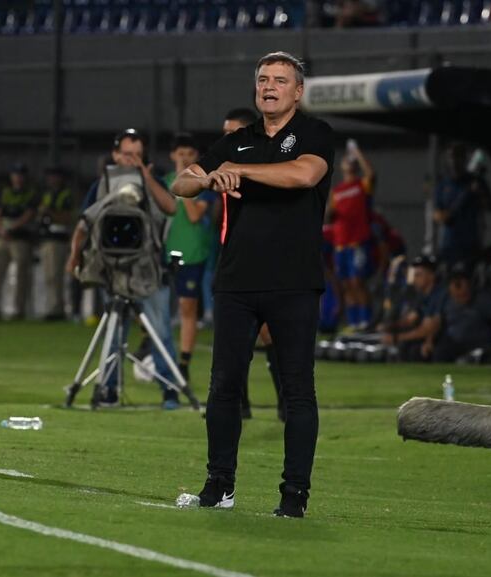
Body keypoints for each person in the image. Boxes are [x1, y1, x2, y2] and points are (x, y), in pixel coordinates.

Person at [172, 51, 334, 517]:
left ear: (297, 91)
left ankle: (294, 497)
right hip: (237, 281)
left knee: (298, 390)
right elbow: (183, 183)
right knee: (223, 385)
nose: (269, 87)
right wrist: (207, 179)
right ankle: (218, 486)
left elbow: (304, 174)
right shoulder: (236, 140)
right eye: (263, 79)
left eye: (280, 80)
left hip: (294, 282)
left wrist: (238, 171)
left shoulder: (315, 133)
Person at [66, 129, 181, 408]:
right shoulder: (102, 185)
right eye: (127, 154)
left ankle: (170, 390)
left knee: (161, 332)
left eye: (138, 155)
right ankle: (108, 389)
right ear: (115, 155)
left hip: (149, 268)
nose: (132, 160)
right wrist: (74, 257)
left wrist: (146, 176)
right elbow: (84, 224)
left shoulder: (152, 180)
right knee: (113, 334)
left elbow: (171, 208)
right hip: (113, 267)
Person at [222, 106, 286, 421]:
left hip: (263, 260)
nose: (226, 139)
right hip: (231, 258)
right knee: (236, 335)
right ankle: (240, 404)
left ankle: (286, 402)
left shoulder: (261, 167)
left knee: (269, 332)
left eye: (232, 133)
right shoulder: (225, 166)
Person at [164, 133, 217, 383]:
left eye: (190, 154)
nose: (184, 158)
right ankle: (151, 353)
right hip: (164, 252)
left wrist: (182, 183)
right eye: (180, 153)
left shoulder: (204, 184)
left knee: (188, 307)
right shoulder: (162, 182)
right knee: (153, 306)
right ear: (172, 155)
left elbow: (195, 216)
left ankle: (184, 363)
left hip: (192, 253)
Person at [329, 138, 375, 332]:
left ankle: (366, 321)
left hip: (357, 243)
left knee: (357, 282)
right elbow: (330, 214)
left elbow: (371, 174)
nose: (348, 162)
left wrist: (357, 153)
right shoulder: (336, 191)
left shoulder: (361, 185)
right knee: (346, 284)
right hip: (340, 244)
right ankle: (354, 323)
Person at [433, 264, 491, 363]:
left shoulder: (483, 299)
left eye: (462, 281)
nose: (458, 286)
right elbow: (437, 320)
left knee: (469, 360)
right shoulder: (446, 299)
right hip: (453, 342)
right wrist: (429, 340)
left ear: (470, 283)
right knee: (439, 353)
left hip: (477, 343)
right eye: (454, 282)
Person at [0, 163, 38, 319]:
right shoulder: (6, 193)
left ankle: (18, 309)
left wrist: (12, 227)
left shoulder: (30, 193)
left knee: (21, 271)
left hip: (20, 237)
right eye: (15, 174)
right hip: (4, 236)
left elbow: (29, 214)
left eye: (21, 175)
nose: (18, 178)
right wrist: (1, 229)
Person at [381, 255, 446, 362]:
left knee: (416, 351)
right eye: (414, 275)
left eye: (418, 275)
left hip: (443, 337)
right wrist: (389, 327)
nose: (414, 279)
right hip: (428, 336)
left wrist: (396, 338)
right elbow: (410, 319)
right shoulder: (421, 295)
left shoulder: (440, 294)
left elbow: (429, 328)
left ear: (431, 276)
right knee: (404, 346)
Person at [433, 143, 489, 265]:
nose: (454, 161)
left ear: (464, 158)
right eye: (451, 157)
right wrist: (449, 213)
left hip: (472, 244)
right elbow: (438, 216)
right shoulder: (443, 186)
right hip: (449, 245)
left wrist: (479, 193)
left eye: (458, 156)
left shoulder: (476, 181)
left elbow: (489, 207)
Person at [38, 166, 74, 320]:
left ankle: (57, 309)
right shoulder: (47, 194)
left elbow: (67, 218)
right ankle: (51, 307)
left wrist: (49, 213)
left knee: (55, 276)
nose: (51, 179)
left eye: (55, 176)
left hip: (58, 240)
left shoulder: (66, 195)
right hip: (46, 238)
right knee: (48, 276)